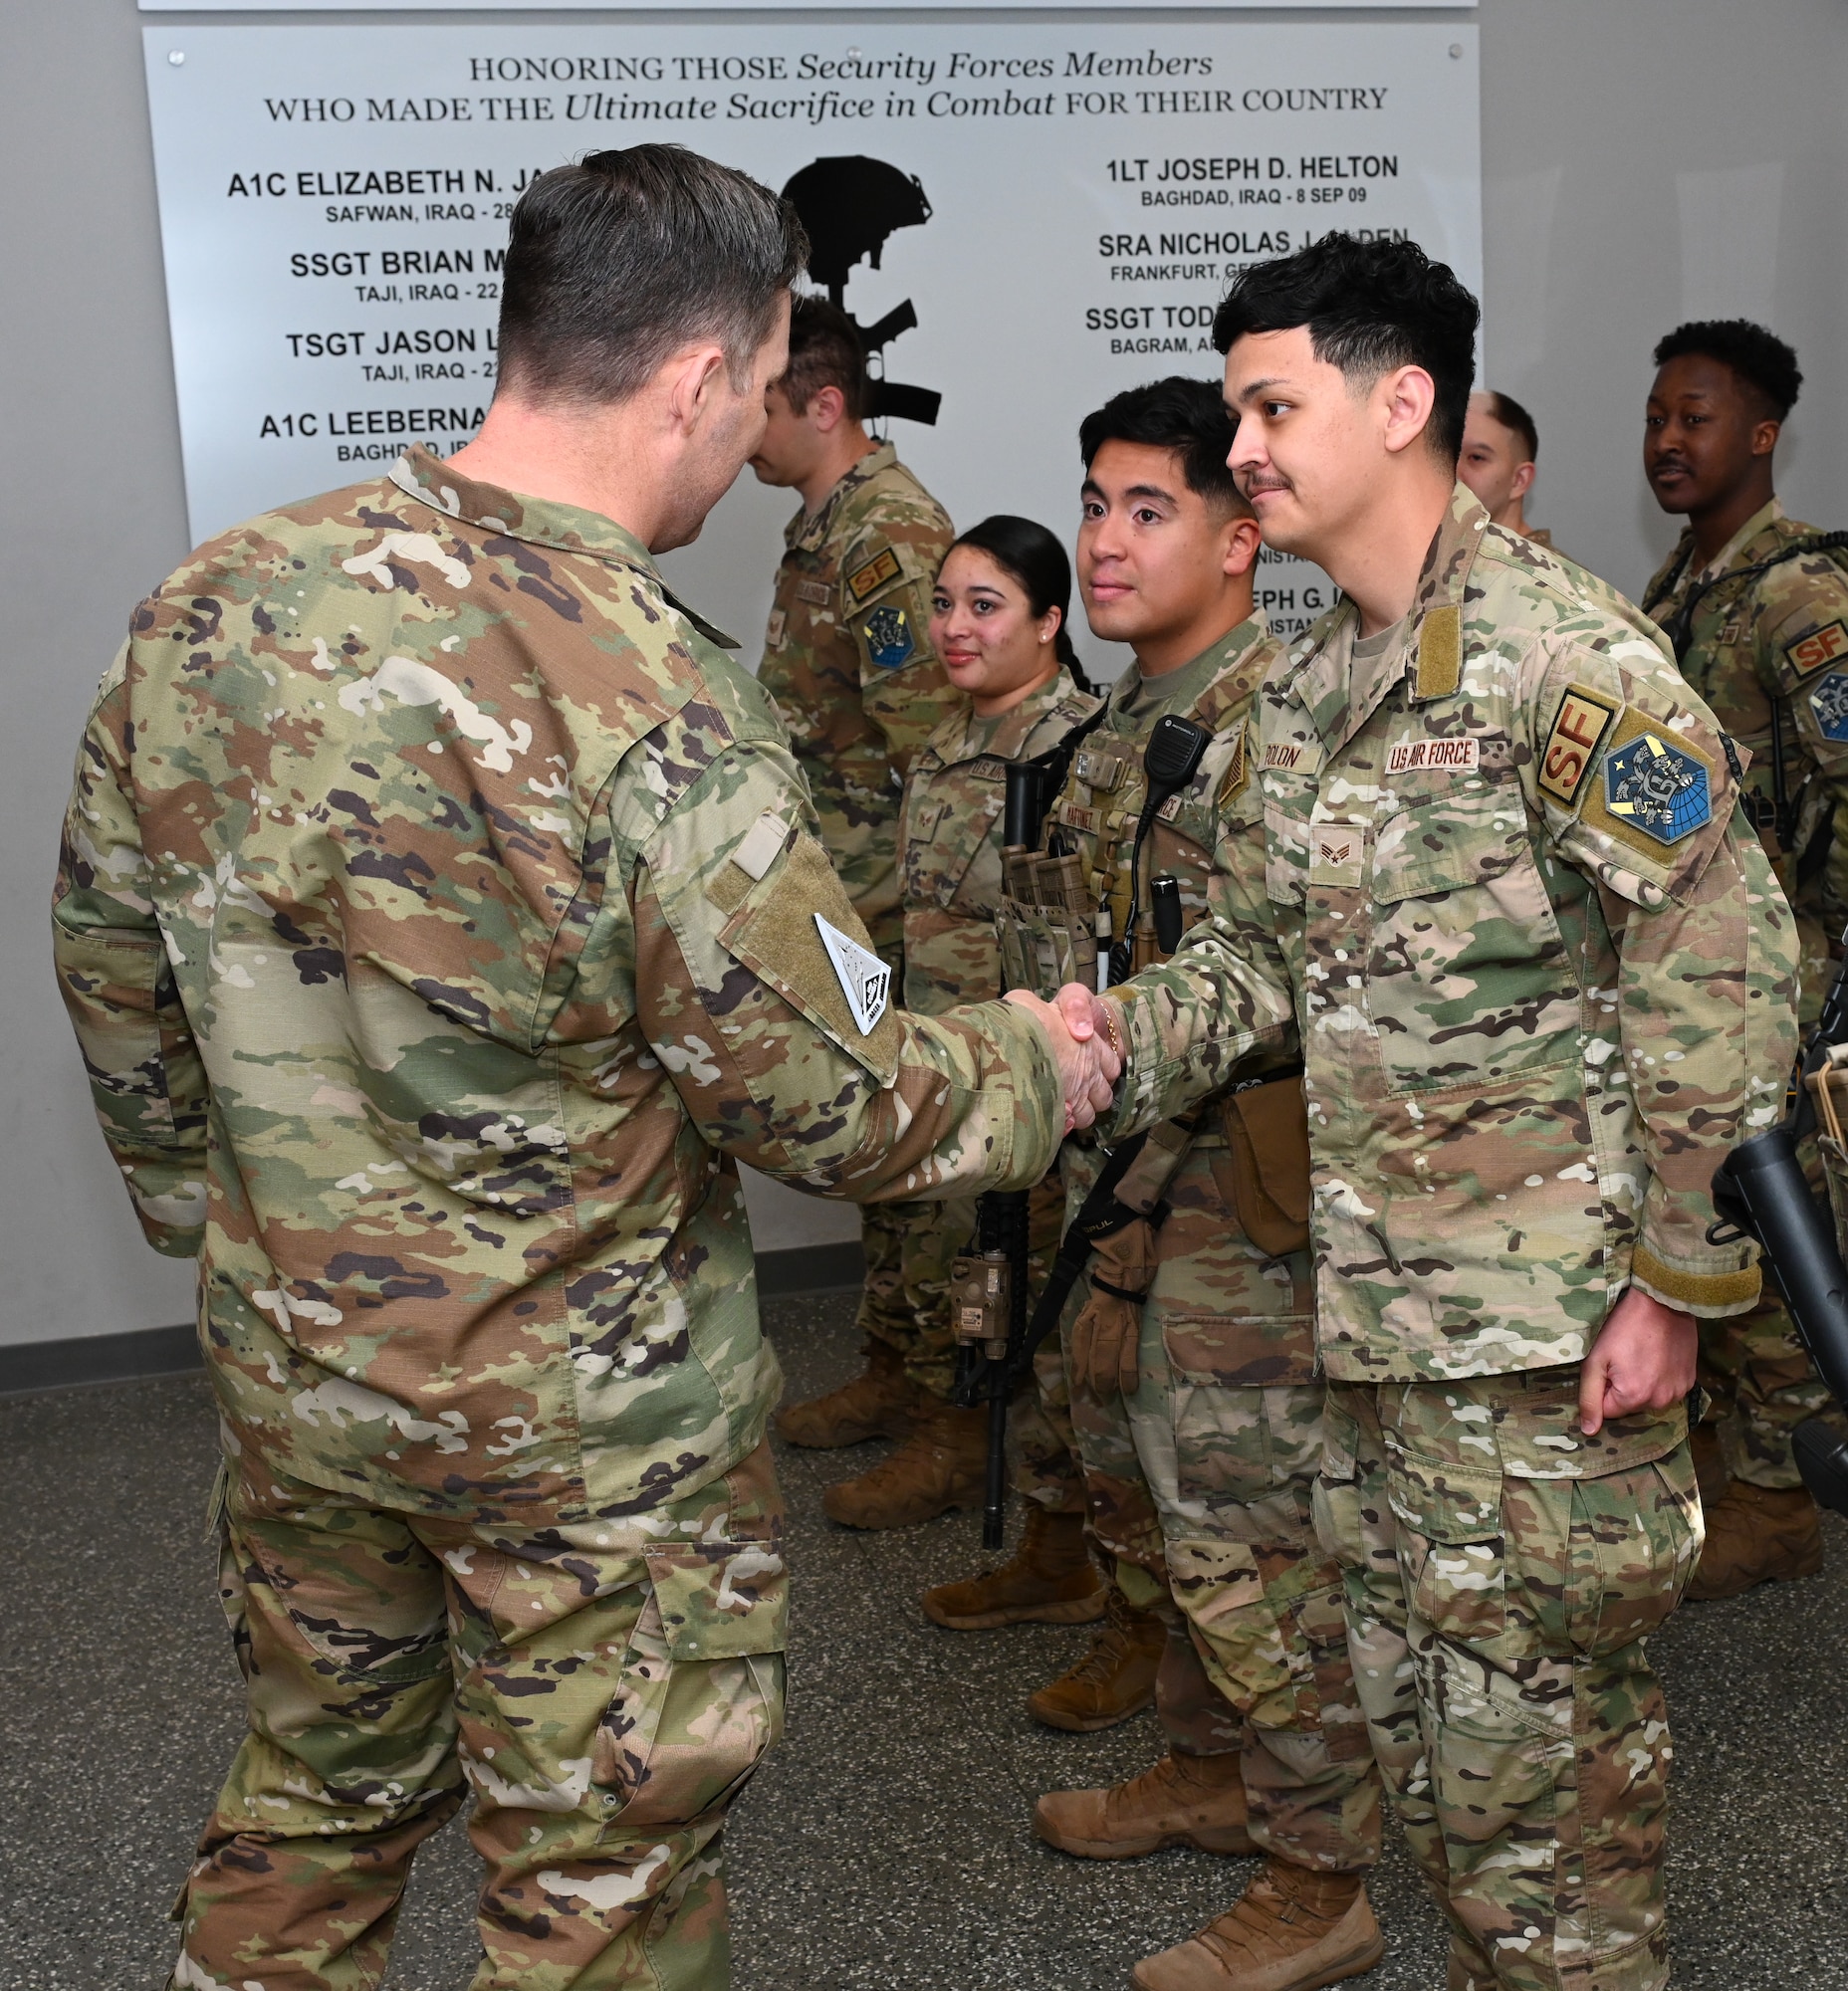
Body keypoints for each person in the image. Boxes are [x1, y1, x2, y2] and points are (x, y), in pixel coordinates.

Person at [51, 143, 1121, 1991]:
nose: (758, 426)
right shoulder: (658, 697)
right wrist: (1031, 1061)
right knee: (597, 1890)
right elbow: (831, 1096)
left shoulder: (212, 607)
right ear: (699, 378)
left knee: (310, 1806)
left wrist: (235, 1228)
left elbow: (110, 969)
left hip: (305, 1385)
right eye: (768, 379)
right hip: (582, 1438)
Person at [1072, 237, 1797, 1991]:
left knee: (1545, 1824)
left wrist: (1677, 1284)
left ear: (1402, 405)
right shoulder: (1323, 685)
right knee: (1442, 1783)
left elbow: (1725, 963)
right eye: (1238, 407)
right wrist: (1087, 1042)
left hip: (1546, 1361)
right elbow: (1256, 958)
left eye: (1271, 405)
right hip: (1381, 1342)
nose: (1242, 447)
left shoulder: (1561, 662)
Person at [942, 378, 1386, 1991]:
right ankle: (1211, 1773)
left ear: (1240, 533)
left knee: (1246, 1522)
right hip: (1125, 1173)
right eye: (1095, 503)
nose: (1107, 542)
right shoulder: (1115, 726)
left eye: (1150, 508)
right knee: (1148, 1494)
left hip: (1247, 1188)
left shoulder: (1289, 715)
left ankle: (1323, 1871)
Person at [818, 517, 1105, 1538]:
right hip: (918, 1035)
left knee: (977, 1255)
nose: (952, 626)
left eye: (983, 606)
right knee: (904, 1226)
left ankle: (957, 1430)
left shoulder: (1071, 750)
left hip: (1002, 1055)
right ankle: (895, 1375)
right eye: (942, 603)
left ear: (1047, 621)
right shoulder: (947, 739)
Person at [1641, 318, 1848, 1597]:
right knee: (1711, 1199)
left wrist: (1826, 981)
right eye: (1656, 416)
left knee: (1769, 1220)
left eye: (1696, 416)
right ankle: (1742, 1462)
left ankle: (1776, 1498)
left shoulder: (1800, 594)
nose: (1667, 439)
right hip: (1692, 969)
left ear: (1760, 432)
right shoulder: (1675, 587)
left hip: (1783, 976)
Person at [749, 296, 968, 1471]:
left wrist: (915, 919)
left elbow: (928, 742)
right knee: (877, 1138)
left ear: (823, 404)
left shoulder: (885, 536)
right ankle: (892, 1362)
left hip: (898, 900)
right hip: (848, 896)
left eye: (763, 403)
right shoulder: (821, 527)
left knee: (922, 1148)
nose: (742, 426)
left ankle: (944, 1405)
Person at [1458, 389, 1552, 548]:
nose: (1453, 472)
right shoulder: (1442, 564)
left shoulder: (1544, 572)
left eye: (1476, 457)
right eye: (1443, 456)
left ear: (1519, 480)